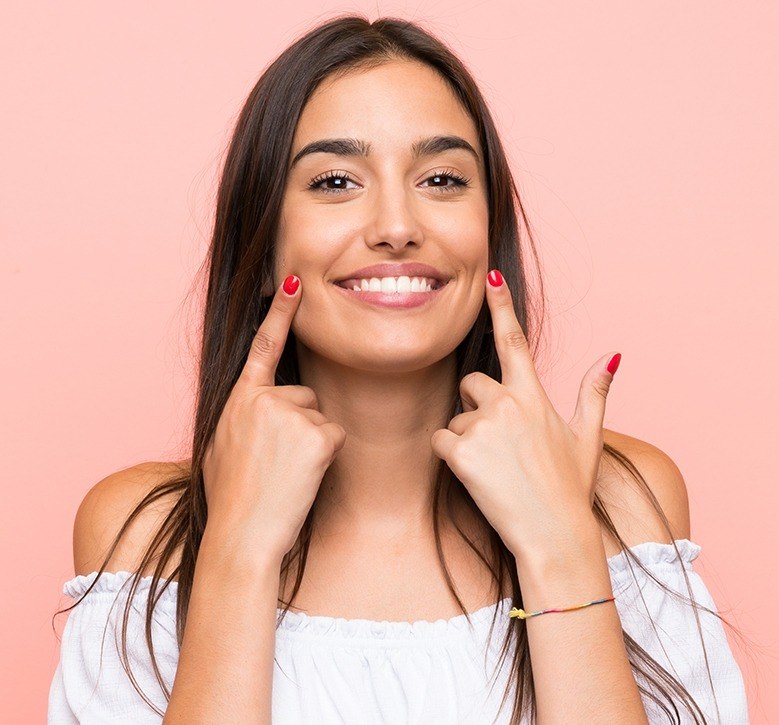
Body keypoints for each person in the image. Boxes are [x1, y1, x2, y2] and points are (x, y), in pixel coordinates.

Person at [47, 14, 749, 724]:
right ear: (262, 249)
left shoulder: (622, 504)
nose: (395, 224)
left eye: (441, 178)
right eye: (334, 181)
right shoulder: (142, 535)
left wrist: (559, 545)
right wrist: (238, 552)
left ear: (488, 234)